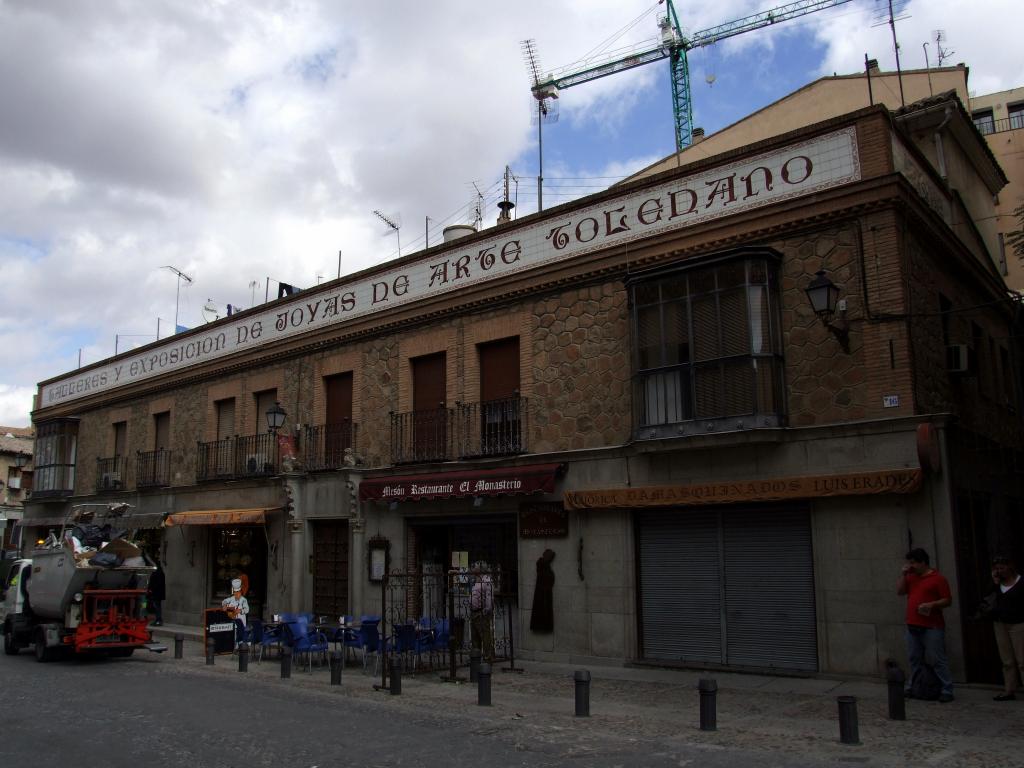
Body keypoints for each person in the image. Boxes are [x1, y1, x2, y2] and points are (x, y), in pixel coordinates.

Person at [897, 548, 954, 702]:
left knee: (937, 658)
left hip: (932, 626)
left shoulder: (938, 579)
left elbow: (947, 600)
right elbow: (900, 591)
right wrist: (903, 575)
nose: (911, 566)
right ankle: (913, 686)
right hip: (912, 624)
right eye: (909, 563)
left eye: (913, 563)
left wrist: (932, 604)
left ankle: (946, 689)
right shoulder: (910, 577)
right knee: (914, 658)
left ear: (923, 562)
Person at [989, 556, 1024, 701]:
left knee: (1022, 660)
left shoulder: (1021, 582)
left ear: (1009, 567)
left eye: (1002, 568)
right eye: (996, 569)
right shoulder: (997, 585)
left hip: (1018, 623)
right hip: (1000, 623)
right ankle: (1009, 690)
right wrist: (995, 583)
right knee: (1007, 660)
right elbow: (988, 599)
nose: (999, 571)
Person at [469, 566, 495, 662]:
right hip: (474, 612)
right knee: (475, 637)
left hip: (481, 613)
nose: (473, 570)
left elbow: (489, 598)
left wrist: (486, 610)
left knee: (485, 636)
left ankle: (487, 657)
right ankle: (476, 658)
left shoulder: (486, 581)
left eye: (475, 568)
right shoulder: (476, 580)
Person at [530, 549, 556, 633]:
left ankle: (544, 626)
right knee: (542, 610)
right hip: (543, 592)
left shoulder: (544, 565)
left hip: (545, 592)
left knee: (544, 610)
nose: (551, 560)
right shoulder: (543, 565)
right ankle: (541, 626)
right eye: (550, 558)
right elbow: (545, 577)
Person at [221, 578, 249, 647]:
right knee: (233, 635)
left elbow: (247, 609)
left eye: (238, 592)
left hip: (241, 621)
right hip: (233, 621)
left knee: (240, 636)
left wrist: (240, 610)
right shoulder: (231, 599)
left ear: (240, 592)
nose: (236, 594)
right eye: (235, 592)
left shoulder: (244, 600)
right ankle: (233, 648)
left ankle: (241, 648)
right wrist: (224, 605)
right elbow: (224, 601)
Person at [147, 558, 166, 626]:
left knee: (157, 607)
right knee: (157, 607)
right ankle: (158, 620)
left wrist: (151, 589)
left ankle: (158, 620)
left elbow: (156, 583)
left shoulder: (158, 572)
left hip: (157, 593)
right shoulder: (158, 572)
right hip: (157, 593)